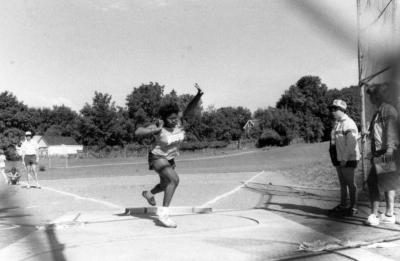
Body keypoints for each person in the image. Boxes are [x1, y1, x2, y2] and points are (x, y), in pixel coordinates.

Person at [135, 84, 204, 228]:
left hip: (170, 158)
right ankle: (164, 214)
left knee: (165, 185)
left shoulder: (179, 122)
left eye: (175, 118)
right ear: (164, 118)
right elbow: (138, 132)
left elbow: (189, 110)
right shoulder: (159, 126)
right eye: (170, 119)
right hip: (157, 157)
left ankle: (148, 193)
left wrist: (198, 95)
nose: (174, 120)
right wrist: (155, 130)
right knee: (174, 180)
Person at [364, 83, 399, 226]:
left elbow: (391, 131)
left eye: (371, 95)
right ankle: (389, 214)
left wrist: (389, 151)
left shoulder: (387, 110)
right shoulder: (378, 112)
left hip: (386, 151)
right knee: (386, 182)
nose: (370, 98)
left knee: (373, 182)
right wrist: (366, 133)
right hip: (381, 151)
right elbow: (375, 132)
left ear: (377, 96)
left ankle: (375, 215)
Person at [328, 99, 361, 217]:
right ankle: (343, 205)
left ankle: (354, 207)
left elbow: (351, 144)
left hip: (349, 158)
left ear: (342, 110)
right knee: (342, 183)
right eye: (331, 109)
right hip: (339, 158)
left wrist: (344, 159)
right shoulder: (337, 123)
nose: (332, 111)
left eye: (335, 109)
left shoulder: (348, 123)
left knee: (350, 183)